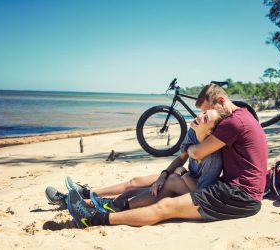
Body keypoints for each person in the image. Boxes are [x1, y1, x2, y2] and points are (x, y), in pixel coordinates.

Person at [66, 83, 268, 227]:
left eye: (206, 113)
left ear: (221, 102)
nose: (200, 117)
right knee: (152, 186)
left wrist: (188, 153)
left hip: (240, 196)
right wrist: (170, 170)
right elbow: (189, 154)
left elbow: (197, 152)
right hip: (233, 188)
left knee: (165, 206)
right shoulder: (240, 115)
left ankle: (92, 218)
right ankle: (94, 202)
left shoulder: (232, 122)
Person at [46, 109, 225, 214]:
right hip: (179, 179)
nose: (200, 115)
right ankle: (85, 192)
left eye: (205, 118)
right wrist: (163, 175)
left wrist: (181, 173)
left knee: (139, 191)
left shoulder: (214, 158)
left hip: (190, 191)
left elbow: (200, 192)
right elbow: (180, 158)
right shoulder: (193, 133)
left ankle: (75, 203)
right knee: (135, 181)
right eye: (203, 112)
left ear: (210, 132)